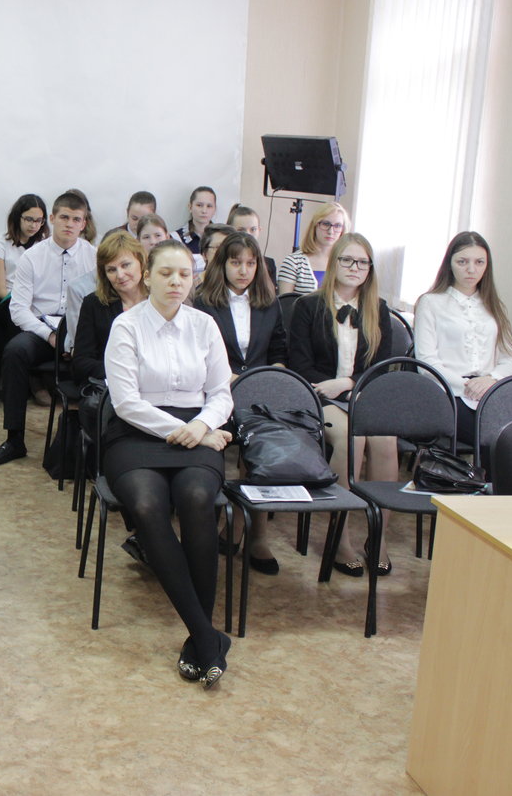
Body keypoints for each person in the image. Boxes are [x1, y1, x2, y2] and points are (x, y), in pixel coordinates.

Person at [102, 239, 234, 688]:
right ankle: (206, 637)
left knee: (197, 498)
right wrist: (186, 431)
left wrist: (201, 426)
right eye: (165, 273)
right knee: (146, 504)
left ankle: (199, 638)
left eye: (184, 274)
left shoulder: (204, 325)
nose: (176, 281)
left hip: (196, 427)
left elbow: (221, 393)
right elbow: (126, 403)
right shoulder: (126, 325)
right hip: (136, 433)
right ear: (147, 276)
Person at [288, 233, 396, 575]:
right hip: (318, 394)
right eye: (347, 259)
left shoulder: (378, 309)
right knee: (352, 438)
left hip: (360, 393)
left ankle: (378, 537)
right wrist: (333, 388)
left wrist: (349, 384)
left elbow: (381, 366)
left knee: (385, 440)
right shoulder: (307, 306)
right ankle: (340, 536)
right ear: (334, 263)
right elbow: (300, 365)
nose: (354, 267)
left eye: (362, 262)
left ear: (370, 269)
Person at [193, 232, 288, 573]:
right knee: (215, 445)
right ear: (223, 264)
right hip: (217, 391)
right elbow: (198, 354)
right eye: (236, 263)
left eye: (250, 263)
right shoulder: (204, 301)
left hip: (259, 394)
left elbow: (279, 350)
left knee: (263, 446)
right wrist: (229, 378)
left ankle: (257, 534)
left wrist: (272, 375)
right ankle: (217, 525)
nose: (244, 270)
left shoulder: (269, 301)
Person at [0, 190, 96, 466]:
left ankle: (92, 440)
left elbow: (100, 305)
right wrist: (50, 335)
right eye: (64, 217)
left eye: (76, 219)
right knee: (15, 352)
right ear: (52, 219)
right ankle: (14, 439)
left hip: (81, 331)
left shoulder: (94, 257)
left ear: (84, 223)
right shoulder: (32, 257)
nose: (69, 224)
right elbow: (18, 309)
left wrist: (77, 339)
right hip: (44, 330)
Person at [413, 231, 512, 448]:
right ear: (450, 263)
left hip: (489, 391)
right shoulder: (431, 302)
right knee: (495, 437)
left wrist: (491, 380)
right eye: (462, 262)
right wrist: (468, 386)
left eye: (479, 262)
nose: (471, 269)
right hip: (448, 391)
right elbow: (426, 362)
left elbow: (511, 361)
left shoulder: (493, 305)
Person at [72, 230, 147, 385]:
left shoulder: (160, 300)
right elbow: (81, 363)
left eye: (125, 265)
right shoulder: (93, 304)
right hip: (113, 384)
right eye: (111, 270)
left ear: (140, 261)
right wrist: (124, 372)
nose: (120, 275)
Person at [277, 202, 349, 295]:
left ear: (343, 229)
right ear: (315, 226)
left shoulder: (348, 263)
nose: (331, 231)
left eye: (337, 226)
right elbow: (284, 302)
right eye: (325, 224)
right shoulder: (293, 262)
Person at [0, 193, 49, 303]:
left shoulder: (44, 242)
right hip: (8, 300)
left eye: (38, 220)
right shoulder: (0, 242)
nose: (33, 225)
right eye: (29, 219)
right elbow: (1, 291)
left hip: (35, 299)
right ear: (17, 217)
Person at [225, 203, 276, 283]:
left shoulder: (269, 264)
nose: (248, 234)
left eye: (253, 229)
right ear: (229, 231)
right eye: (241, 230)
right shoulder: (222, 260)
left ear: (259, 230)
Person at [176, 186, 217, 258]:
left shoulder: (222, 238)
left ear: (215, 209)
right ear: (190, 207)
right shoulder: (176, 238)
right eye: (199, 205)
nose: (204, 211)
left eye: (209, 206)